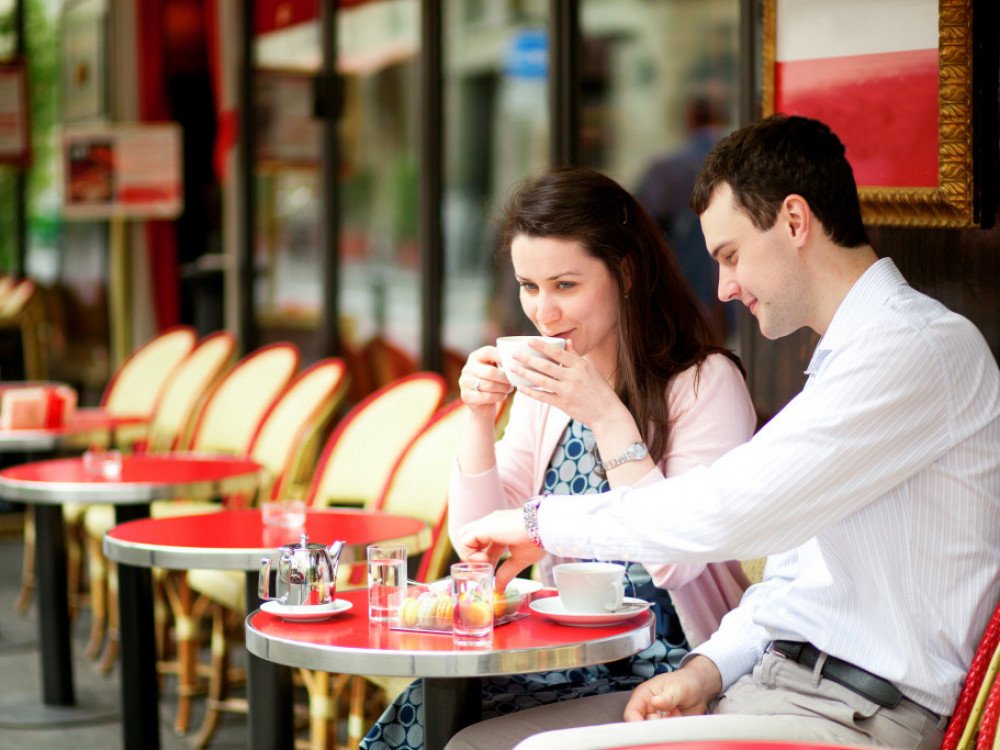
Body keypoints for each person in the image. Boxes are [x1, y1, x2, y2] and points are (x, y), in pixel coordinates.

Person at [447, 115, 1000, 750]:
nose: (725, 287)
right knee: (473, 743)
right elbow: (792, 580)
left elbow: (728, 510)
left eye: (731, 255)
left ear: (794, 222)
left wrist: (539, 522)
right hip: (780, 689)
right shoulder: (853, 357)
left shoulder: (914, 349)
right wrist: (706, 670)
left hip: (860, 717)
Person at [360, 167, 758, 750]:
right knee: (430, 705)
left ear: (624, 273)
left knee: (453, 725)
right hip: (563, 651)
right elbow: (478, 537)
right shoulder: (545, 394)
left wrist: (604, 412)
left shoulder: (705, 384)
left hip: (671, 669)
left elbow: (678, 561)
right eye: (528, 286)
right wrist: (476, 414)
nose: (542, 312)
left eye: (565, 286)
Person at [635, 87, 736, 341]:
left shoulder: (667, 170)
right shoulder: (745, 165)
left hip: (685, 299)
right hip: (739, 304)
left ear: (690, 118)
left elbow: (635, 231)